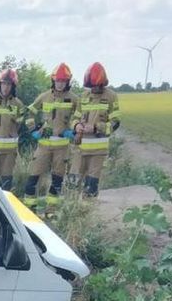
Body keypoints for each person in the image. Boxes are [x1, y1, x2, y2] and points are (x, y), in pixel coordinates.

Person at [22, 62, 79, 212]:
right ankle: (30, 209)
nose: (60, 84)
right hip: (44, 145)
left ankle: (50, 211)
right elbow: (29, 113)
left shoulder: (73, 99)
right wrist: (33, 129)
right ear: (53, 80)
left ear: (68, 82)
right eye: (58, 81)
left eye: (63, 81)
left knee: (57, 179)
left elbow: (80, 117)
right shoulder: (44, 96)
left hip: (62, 147)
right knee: (33, 176)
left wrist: (73, 131)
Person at [68, 62, 119, 198]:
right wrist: (76, 126)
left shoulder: (111, 96)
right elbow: (75, 118)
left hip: (98, 151)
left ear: (103, 83)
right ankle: (71, 212)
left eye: (97, 86)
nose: (95, 89)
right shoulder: (83, 97)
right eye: (92, 86)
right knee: (73, 184)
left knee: (91, 186)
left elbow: (115, 123)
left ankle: (86, 214)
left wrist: (97, 127)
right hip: (80, 148)